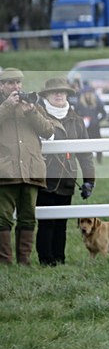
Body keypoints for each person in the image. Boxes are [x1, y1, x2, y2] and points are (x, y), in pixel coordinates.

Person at [35, 78, 95, 266]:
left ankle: (59, 259)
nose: (59, 94)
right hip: (44, 176)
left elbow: (85, 154)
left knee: (61, 222)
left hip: (68, 177)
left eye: (62, 91)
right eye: (54, 92)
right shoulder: (37, 116)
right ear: (46, 95)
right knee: (46, 222)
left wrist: (89, 181)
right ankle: (46, 259)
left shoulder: (76, 119)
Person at [0, 68, 55, 265]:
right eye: (11, 83)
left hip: (31, 170)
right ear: (1, 86)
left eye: (18, 83)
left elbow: (48, 130)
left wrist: (31, 111)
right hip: (5, 171)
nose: (16, 87)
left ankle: (24, 262)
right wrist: (6, 107)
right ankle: (5, 262)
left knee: (28, 218)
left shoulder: (32, 104)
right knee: (3, 218)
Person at [74, 85, 107, 163]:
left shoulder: (96, 102)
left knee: (98, 144)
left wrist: (97, 121)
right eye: (86, 93)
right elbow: (75, 115)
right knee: (85, 144)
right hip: (85, 128)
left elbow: (104, 113)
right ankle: (86, 160)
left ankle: (99, 160)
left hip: (95, 127)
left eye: (89, 93)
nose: (88, 95)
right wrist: (81, 121)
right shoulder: (79, 104)